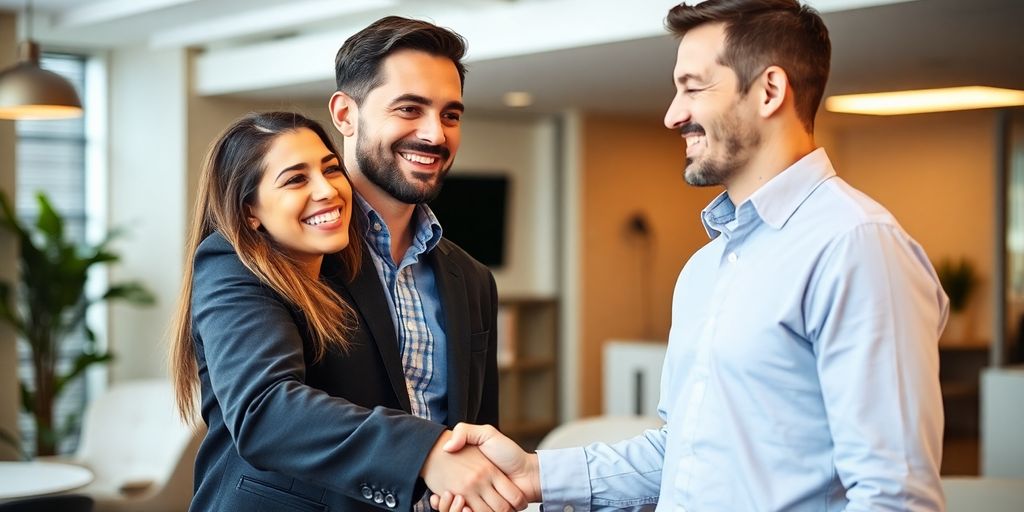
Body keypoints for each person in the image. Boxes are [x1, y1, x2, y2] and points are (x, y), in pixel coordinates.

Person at [435, 1, 949, 511]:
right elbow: (681, 452)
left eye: (693, 88)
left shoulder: (857, 246)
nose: (672, 114)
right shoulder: (707, 266)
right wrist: (534, 472)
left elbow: (894, 497)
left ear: (769, 91)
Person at [169, 112, 525, 511]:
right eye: (295, 179)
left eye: (331, 169)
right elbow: (264, 410)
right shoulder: (232, 265)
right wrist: (425, 451)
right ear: (250, 210)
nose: (327, 190)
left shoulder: (355, 265)